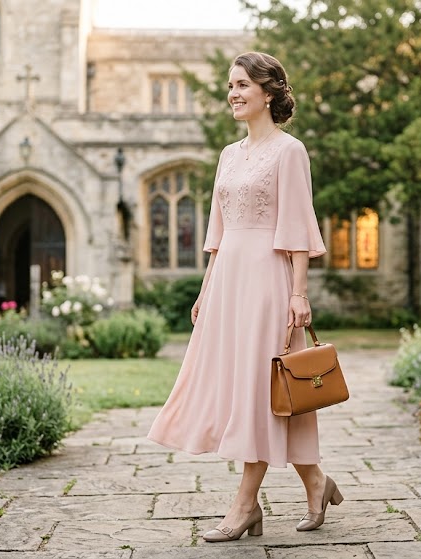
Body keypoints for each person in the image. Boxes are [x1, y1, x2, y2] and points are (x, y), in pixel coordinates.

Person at [146, 52, 342, 542]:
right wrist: (205, 288)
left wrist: (299, 293)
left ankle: (244, 505)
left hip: (269, 281)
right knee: (251, 390)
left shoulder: (290, 151)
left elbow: (297, 227)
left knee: (262, 391)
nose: (232, 94)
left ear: (268, 92)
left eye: (241, 85)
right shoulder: (228, 155)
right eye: (229, 86)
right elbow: (218, 233)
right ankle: (316, 482)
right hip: (229, 279)